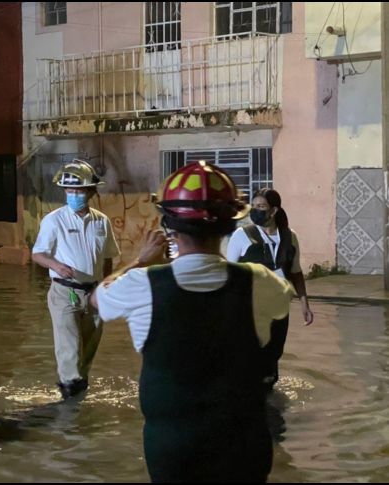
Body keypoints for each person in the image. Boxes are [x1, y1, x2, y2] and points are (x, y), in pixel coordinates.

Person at [91, 161, 295, 482]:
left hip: (173, 451)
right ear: (230, 225)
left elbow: (97, 297)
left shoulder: (142, 283)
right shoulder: (262, 282)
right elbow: (279, 321)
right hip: (244, 446)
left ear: (167, 224)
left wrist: (140, 261)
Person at [31, 159, 120, 400]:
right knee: (69, 348)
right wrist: (56, 266)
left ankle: (79, 396)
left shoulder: (102, 221)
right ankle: (69, 403)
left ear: (91, 191)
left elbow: (110, 257)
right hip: (64, 292)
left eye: (78, 190)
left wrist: (105, 286)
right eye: (69, 191)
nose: (73, 195)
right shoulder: (54, 220)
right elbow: (38, 254)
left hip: (94, 294)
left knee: (88, 350)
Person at [227, 188, 314, 391]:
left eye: (261, 207)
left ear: (273, 211)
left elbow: (296, 273)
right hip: (250, 307)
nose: (256, 210)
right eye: (254, 206)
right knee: (250, 351)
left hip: (279, 306)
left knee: (274, 352)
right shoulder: (242, 235)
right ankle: (247, 392)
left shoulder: (289, 237)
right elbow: (229, 274)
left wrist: (304, 304)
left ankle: (269, 394)